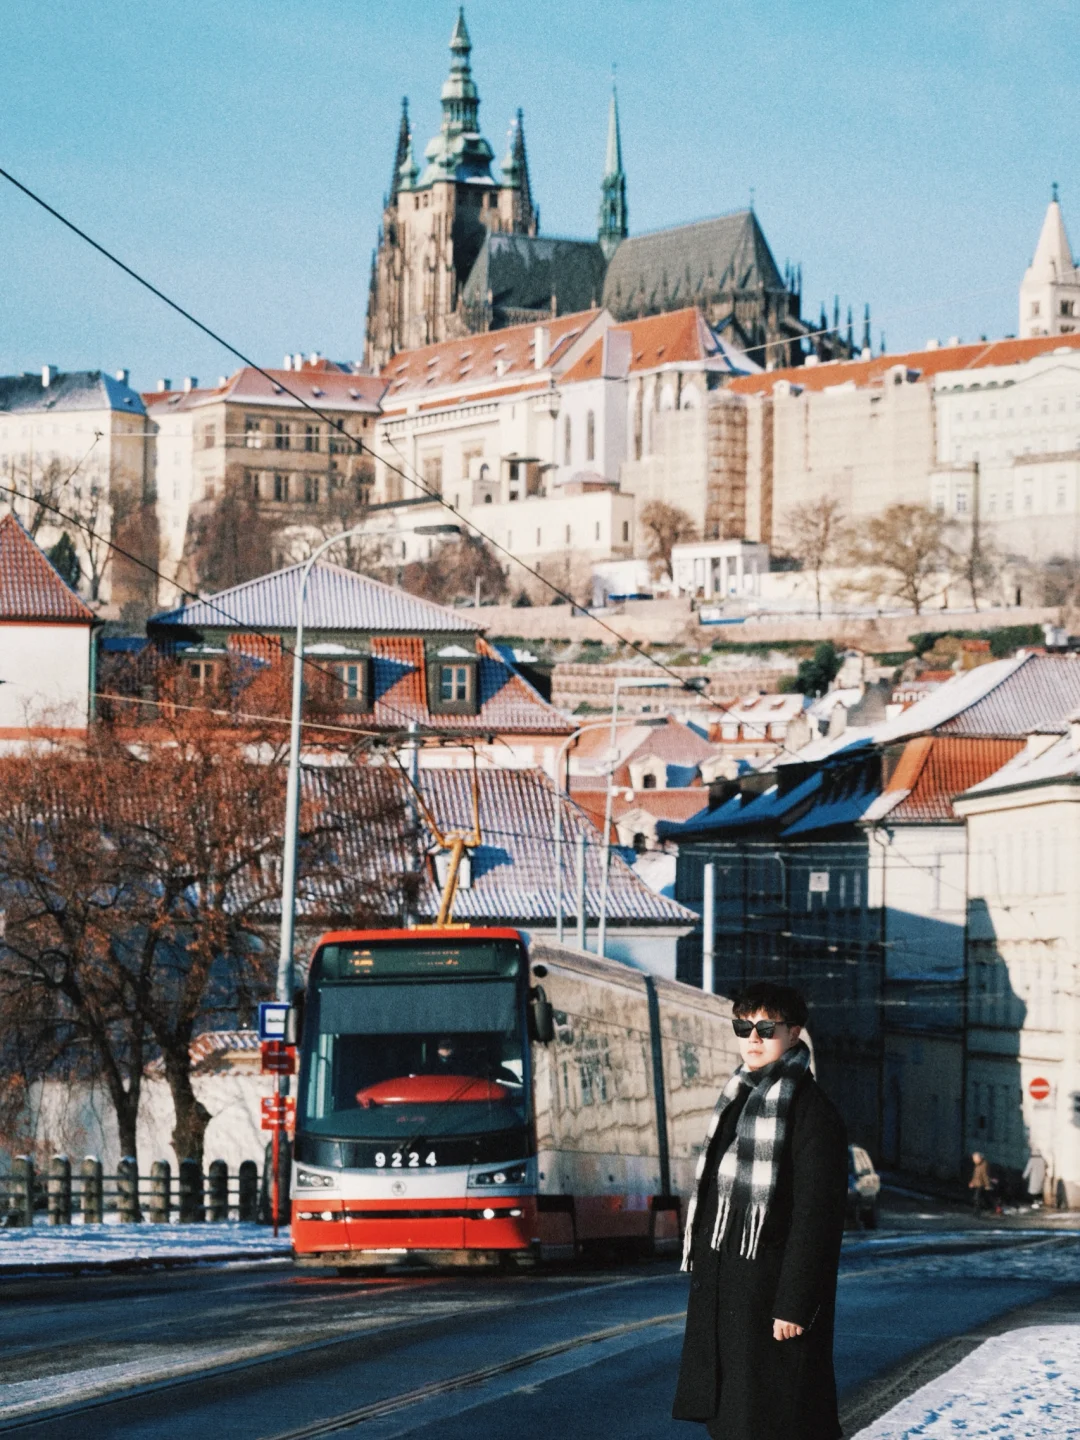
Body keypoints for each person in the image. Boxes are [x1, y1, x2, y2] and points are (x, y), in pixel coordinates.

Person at [672, 982, 848, 1440]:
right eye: (742, 1025)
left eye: (765, 1028)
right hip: (730, 1296)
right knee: (734, 1419)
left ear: (794, 1033)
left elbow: (817, 1220)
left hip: (773, 1303)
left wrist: (793, 1305)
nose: (752, 1037)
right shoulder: (737, 1102)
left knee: (780, 1419)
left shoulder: (812, 1112)